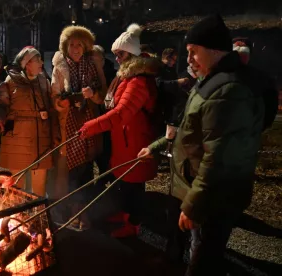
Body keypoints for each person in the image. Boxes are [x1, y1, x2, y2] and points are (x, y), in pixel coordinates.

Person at [138, 15, 266, 276]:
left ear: (215, 51)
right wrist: (156, 146)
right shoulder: (211, 81)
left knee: (203, 261)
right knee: (200, 251)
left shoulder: (228, 91)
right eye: (188, 52)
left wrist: (194, 205)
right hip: (203, 192)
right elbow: (189, 130)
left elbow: (218, 158)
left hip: (213, 201)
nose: (189, 59)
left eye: (193, 52)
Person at [78, 23, 160, 237]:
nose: (117, 58)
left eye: (120, 53)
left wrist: (92, 126)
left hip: (134, 142)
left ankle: (133, 224)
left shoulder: (138, 81)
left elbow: (122, 112)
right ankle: (126, 215)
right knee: (125, 184)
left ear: (132, 53)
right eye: (115, 54)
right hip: (125, 140)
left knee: (134, 187)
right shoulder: (128, 76)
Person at [51, 25, 106, 230]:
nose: (75, 48)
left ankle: (84, 210)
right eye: (72, 44)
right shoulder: (60, 67)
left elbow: (103, 93)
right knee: (70, 171)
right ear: (66, 46)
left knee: (87, 167)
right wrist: (64, 102)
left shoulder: (91, 65)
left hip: (89, 121)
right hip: (68, 124)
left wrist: (93, 94)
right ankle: (72, 211)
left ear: (85, 47)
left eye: (79, 45)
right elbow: (55, 97)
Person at [0, 46, 60, 196]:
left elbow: (51, 111)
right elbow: (1, 105)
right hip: (17, 141)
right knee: (16, 187)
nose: (41, 63)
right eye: (37, 60)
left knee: (39, 189)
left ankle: (39, 217)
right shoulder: (11, 81)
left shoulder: (44, 81)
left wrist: (55, 133)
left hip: (41, 140)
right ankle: (16, 217)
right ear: (27, 63)